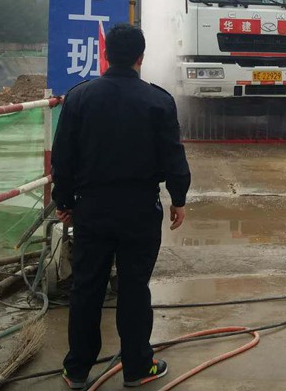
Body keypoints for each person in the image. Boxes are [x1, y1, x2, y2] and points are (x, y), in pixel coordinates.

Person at [51, 23, 191, 389]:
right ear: (141, 58)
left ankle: (76, 370)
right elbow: (173, 155)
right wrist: (178, 198)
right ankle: (138, 368)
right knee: (134, 288)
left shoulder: (79, 98)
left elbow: (63, 157)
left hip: (91, 209)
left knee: (86, 287)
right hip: (139, 210)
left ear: (105, 55)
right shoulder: (158, 101)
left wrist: (63, 200)